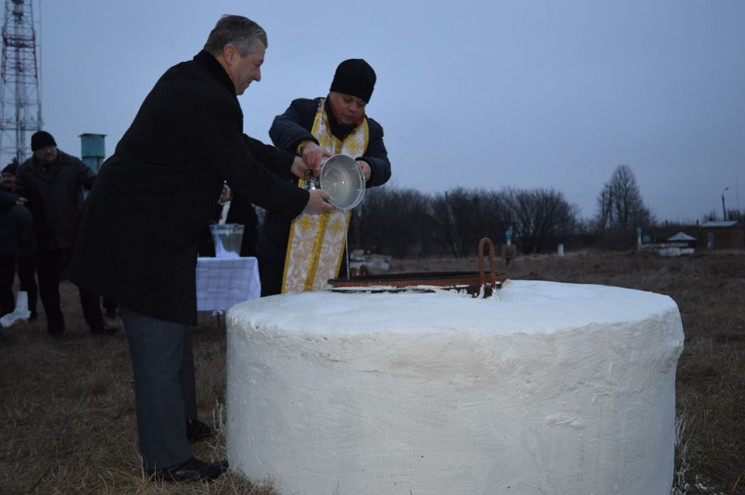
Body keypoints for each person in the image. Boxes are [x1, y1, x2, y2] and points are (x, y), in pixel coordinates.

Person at [68, 15, 332, 483]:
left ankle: (182, 423)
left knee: (175, 324)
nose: (258, 74)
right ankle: (166, 458)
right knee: (158, 341)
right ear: (231, 53)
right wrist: (306, 201)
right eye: (256, 63)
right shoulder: (207, 96)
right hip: (138, 232)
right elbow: (246, 177)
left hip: (158, 230)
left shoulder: (194, 83)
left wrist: (293, 161)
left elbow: (241, 147)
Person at [256, 58, 392, 295]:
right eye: (347, 99)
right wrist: (305, 144)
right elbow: (279, 125)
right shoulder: (305, 110)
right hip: (281, 244)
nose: (353, 108)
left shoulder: (372, 131)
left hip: (335, 250)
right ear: (331, 92)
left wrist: (369, 167)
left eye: (360, 103)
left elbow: (384, 166)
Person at [14, 132, 116, 338]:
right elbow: (19, 196)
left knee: (87, 283)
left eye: (52, 146)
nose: (49, 151)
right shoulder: (26, 170)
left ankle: (97, 325)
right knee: (48, 287)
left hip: (75, 234)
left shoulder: (72, 164)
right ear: (36, 151)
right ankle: (56, 329)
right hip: (44, 237)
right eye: (44, 149)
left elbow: (94, 182)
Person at [0, 161, 37, 322]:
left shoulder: (27, 191)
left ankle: (30, 312)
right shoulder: (4, 195)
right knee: (4, 282)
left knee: (27, 280)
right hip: (5, 245)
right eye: (4, 176)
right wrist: (14, 199)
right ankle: (7, 312)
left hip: (25, 243)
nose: (6, 179)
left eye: (9, 176)